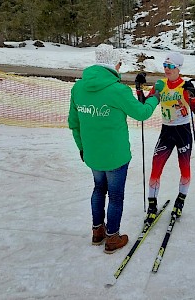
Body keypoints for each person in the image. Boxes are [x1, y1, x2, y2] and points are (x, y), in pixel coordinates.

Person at [68, 44, 160, 254]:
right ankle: (112, 238)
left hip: (92, 154)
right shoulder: (117, 90)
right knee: (115, 196)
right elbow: (142, 113)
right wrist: (155, 97)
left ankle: (97, 231)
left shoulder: (78, 88)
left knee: (99, 189)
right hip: (116, 156)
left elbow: (74, 123)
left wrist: (82, 148)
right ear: (114, 64)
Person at [135, 52, 195, 223]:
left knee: (185, 169)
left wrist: (193, 95)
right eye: (165, 65)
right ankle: (152, 206)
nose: (167, 69)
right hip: (166, 131)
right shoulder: (160, 84)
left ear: (178, 68)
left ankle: (180, 202)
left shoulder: (185, 86)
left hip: (183, 132)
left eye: (171, 66)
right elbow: (144, 104)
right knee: (156, 168)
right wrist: (138, 87)